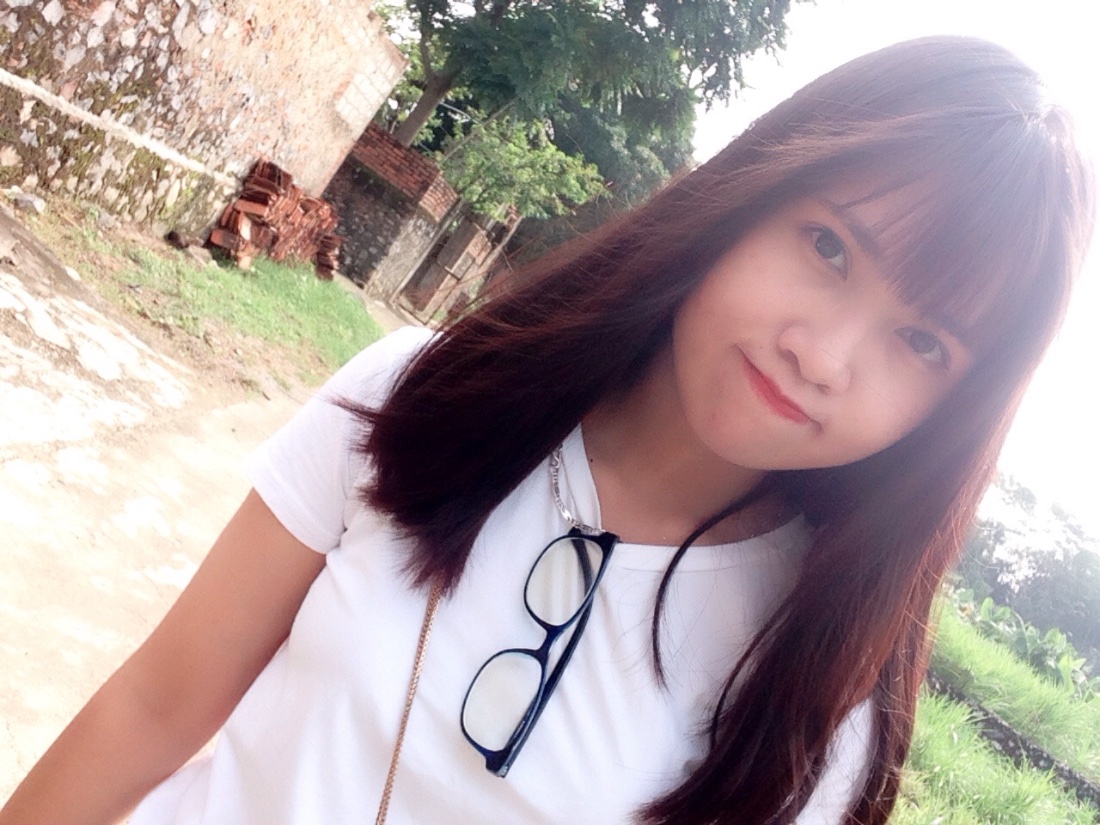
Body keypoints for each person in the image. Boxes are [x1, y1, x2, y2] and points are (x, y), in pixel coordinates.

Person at [1, 35, 1094, 825]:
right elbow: (153, 707)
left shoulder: (814, 703)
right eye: (829, 248)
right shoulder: (426, 396)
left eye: (922, 341)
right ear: (749, 196)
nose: (825, 355)